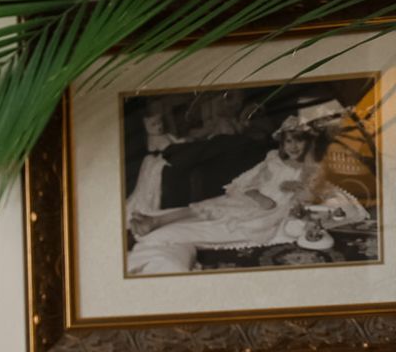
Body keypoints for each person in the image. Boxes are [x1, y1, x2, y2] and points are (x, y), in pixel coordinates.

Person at [126, 118, 359, 275]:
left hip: (273, 212)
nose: (294, 146)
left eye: (300, 140)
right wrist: (257, 195)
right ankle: (156, 221)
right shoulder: (273, 158)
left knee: (222, 222)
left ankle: (159, 227)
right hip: (252, 200)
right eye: (289, 140)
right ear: (282, 142)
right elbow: (246, 181)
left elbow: (309, 197)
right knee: (211, 206)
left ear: (309, 142)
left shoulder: (311, 168)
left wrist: (300, 187)